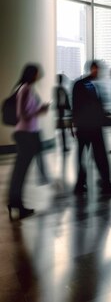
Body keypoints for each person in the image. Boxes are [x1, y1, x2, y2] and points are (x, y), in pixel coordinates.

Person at [7, 64, 50, 220]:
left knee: (20, 172)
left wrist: (38, 110)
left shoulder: (26, 89)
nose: (38, 76)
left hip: (27, 134)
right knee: (20, 173)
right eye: (36, 74)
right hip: (25, 135)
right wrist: (41, 110)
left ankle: (15, 203)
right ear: (31, 75)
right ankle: (16, 203)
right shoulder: (25, 89)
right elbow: (23, 114)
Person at [72, 61, 111, 196]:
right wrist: (75, 124)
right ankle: (84, 184)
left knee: (97, 156)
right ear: (93, 69)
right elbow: (77, 106)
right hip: (86, 127)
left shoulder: (93, 85)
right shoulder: (81, 84)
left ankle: (102, 184)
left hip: (94, 127)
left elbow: (97, 108)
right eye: (98, 69)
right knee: (88, 156)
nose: (100, 72)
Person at [55, 73, 72, 153]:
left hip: (59, 110)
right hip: (61, 110)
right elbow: (65, 101)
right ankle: (64, 146)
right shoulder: (62, 89)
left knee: (62, 129)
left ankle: (64, 146)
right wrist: (69, 109)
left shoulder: (57, 89)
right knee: (63, 129)